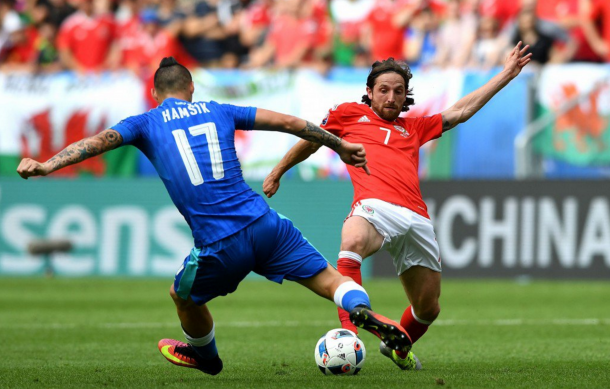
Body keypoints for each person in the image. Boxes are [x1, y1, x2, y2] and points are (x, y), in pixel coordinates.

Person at [16, 57, 412, 376]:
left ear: (155, 93)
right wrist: (338, 144)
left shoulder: (144, 122)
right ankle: (361, 310)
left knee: (182, 296)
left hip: (219, 243)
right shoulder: (220, 110)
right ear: (192, 89)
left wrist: (49, 165)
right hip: (264, 223)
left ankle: (206, 357)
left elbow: (97, 143)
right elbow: (292, 123)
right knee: (330, 279)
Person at [264, 42, 532, 371]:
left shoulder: (414, 127)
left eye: (399, 92)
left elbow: (461, 111)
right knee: (352, 243)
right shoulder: (348, 114)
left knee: (428, 308)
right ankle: (349, 335)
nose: (391, 98)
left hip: (416, 218)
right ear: (370, 92)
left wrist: (506, 74)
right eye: (384, 90)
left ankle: (397, 346)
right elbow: (311, 139)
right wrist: (278, 171)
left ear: (406, 96)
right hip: (374, 206)